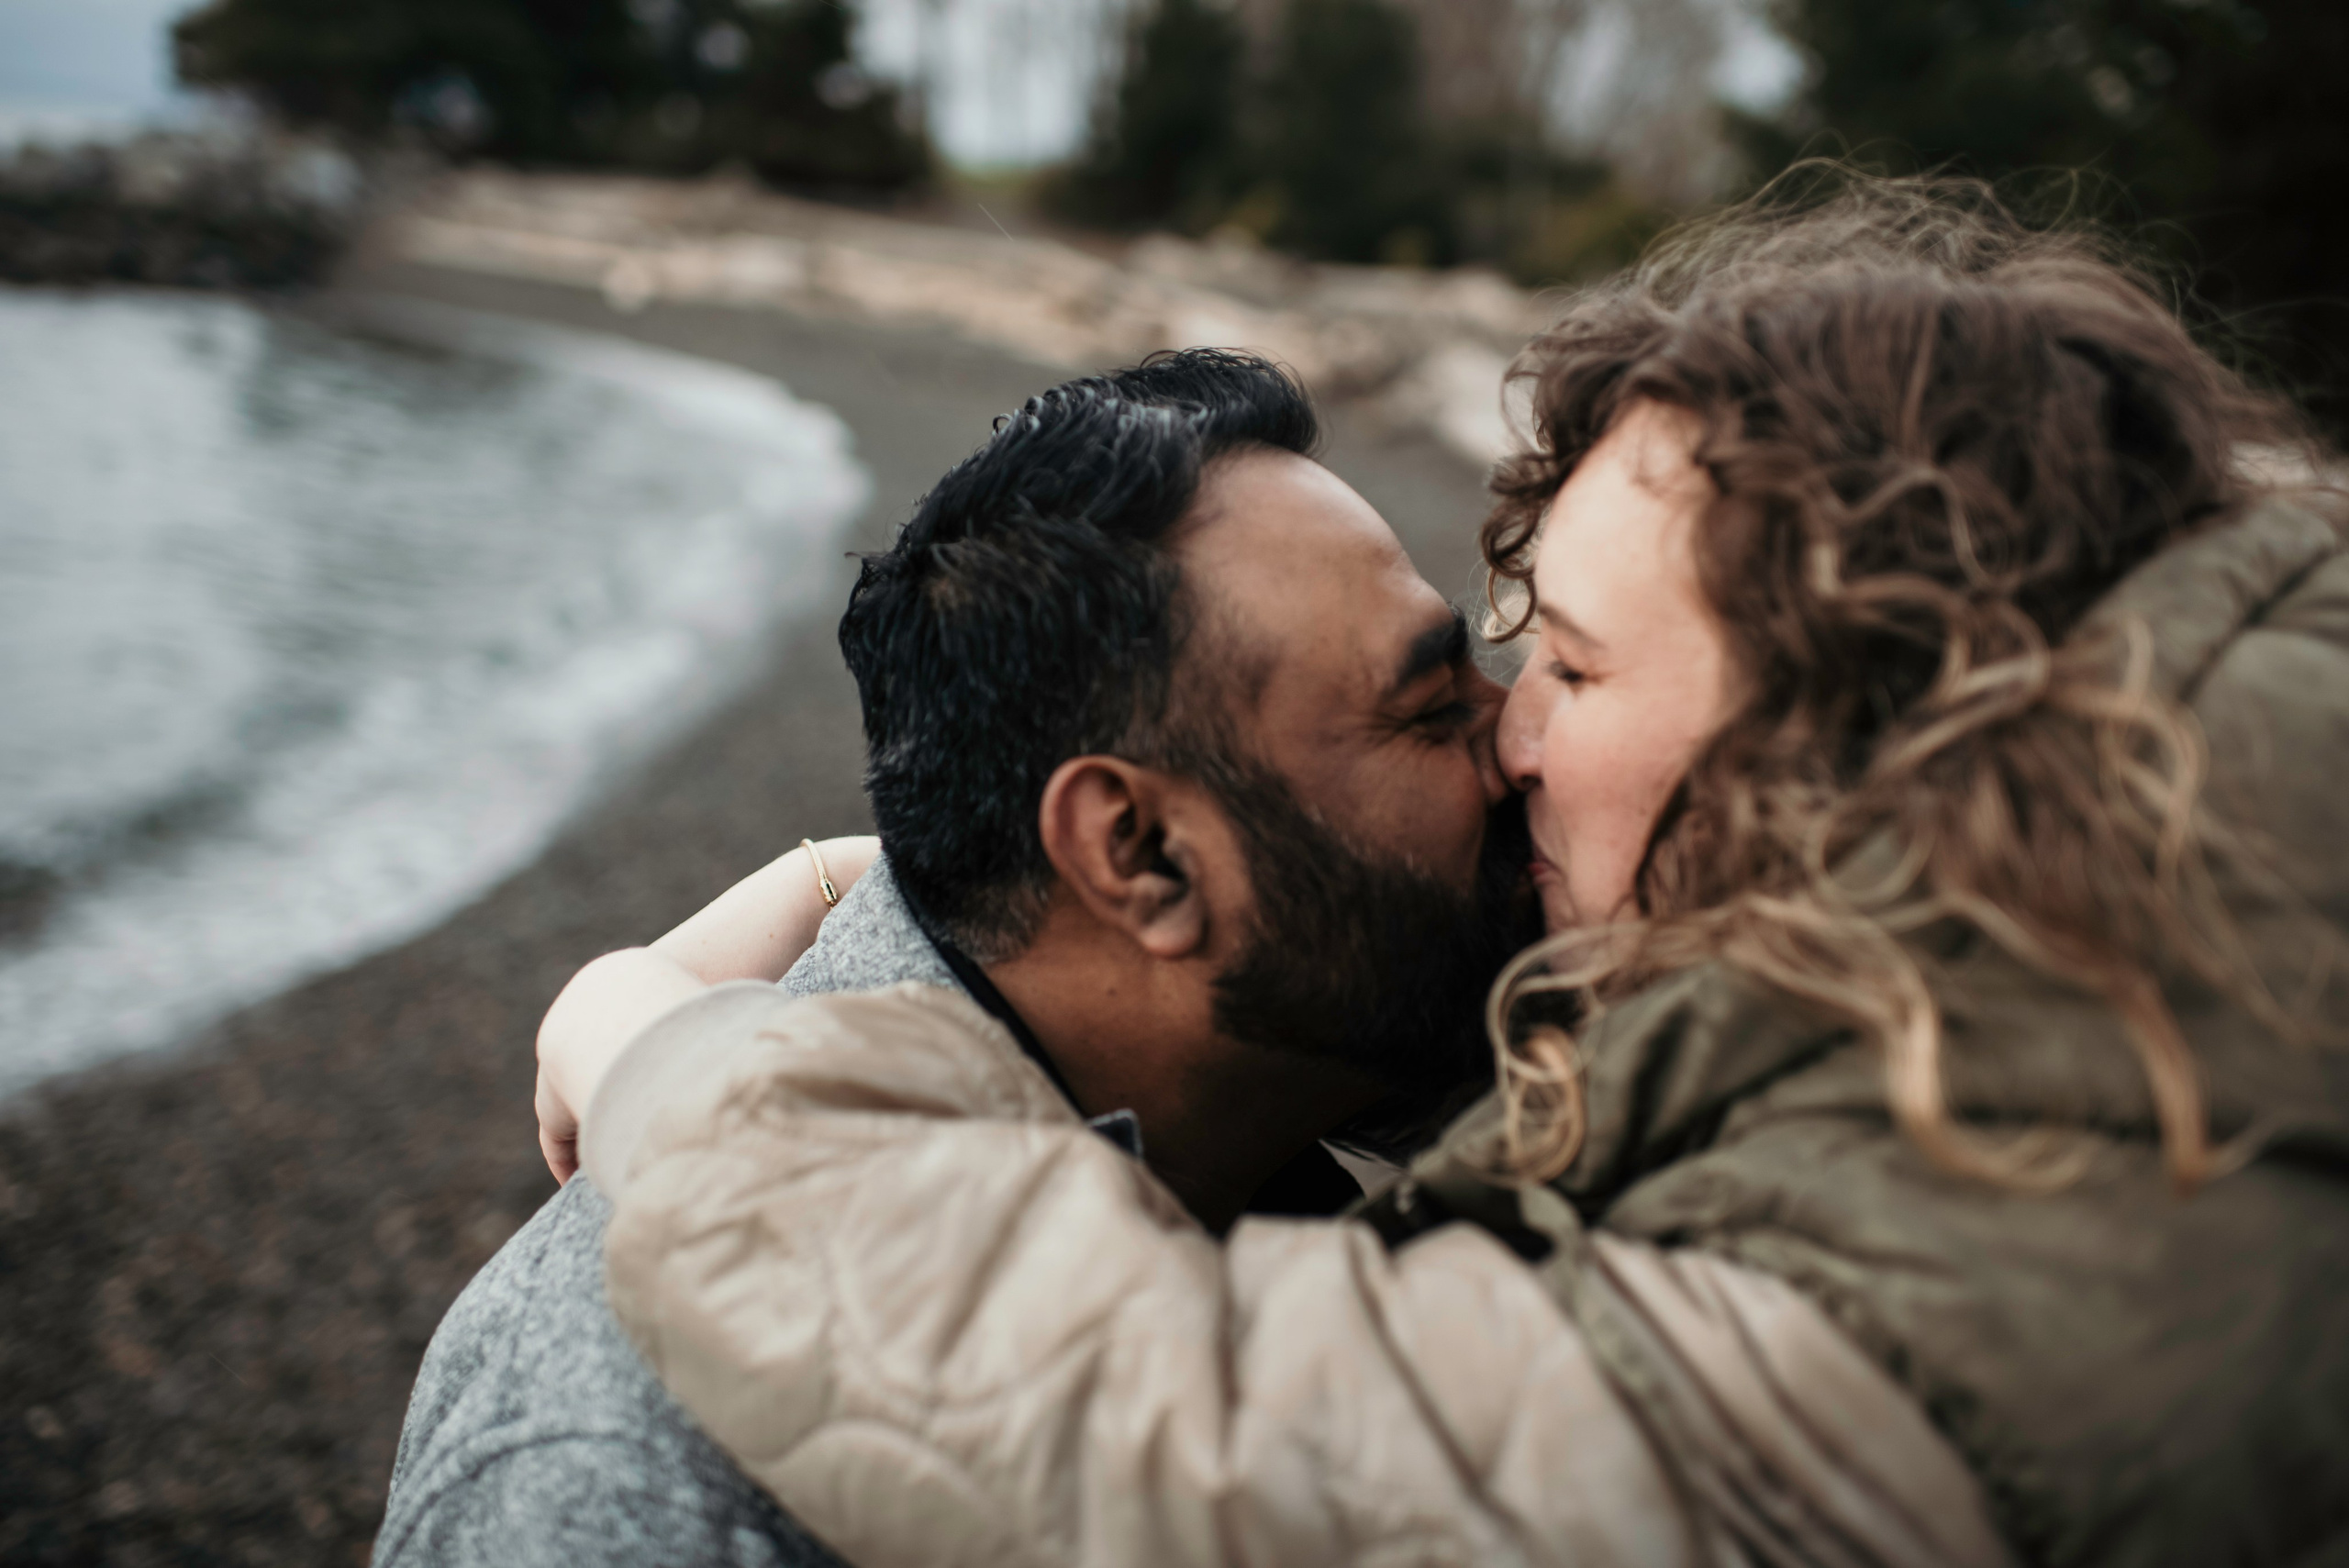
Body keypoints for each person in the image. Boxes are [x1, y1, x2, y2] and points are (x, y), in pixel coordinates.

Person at [541, 179, 2349, 1567]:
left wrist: (641, 1039)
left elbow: (1176, 1432)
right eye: (1488, 676)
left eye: (1565, 659)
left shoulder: (2065, 1152)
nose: (1515, 738)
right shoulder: (2141, 912)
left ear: (1861, 694)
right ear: (1129, 852)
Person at [373, 348, 1539, 1567]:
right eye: (1429, 707)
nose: (1520, 735)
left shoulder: (1282, 1097)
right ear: (1139, 854)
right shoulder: (644, 1475)